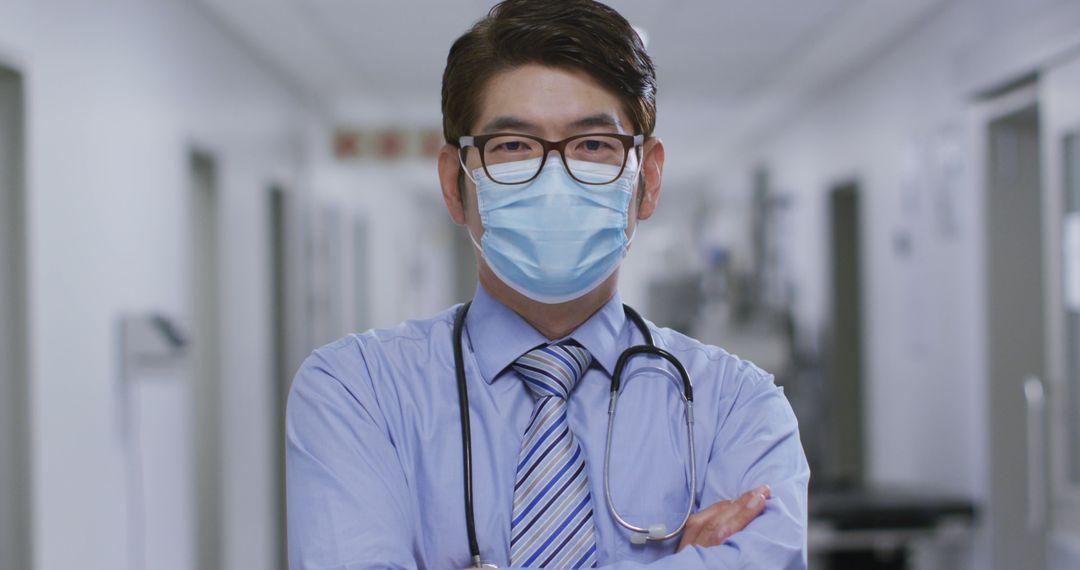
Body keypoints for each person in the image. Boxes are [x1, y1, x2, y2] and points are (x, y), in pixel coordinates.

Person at [285, 1, 809, 568]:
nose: (554, 177)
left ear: (648, 179)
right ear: (453, 182)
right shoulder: (357, 392)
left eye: (593, 146)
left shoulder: (740, 407)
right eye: (512, 146)